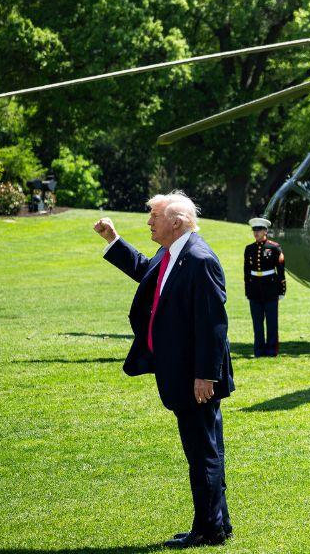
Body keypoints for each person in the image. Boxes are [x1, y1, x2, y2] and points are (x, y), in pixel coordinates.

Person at [93, 192, 234, 549]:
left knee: (203, 454)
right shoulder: (170, 254)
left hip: (195, 377)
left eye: (154, 216)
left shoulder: (199, 259)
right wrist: (114, 241)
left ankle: (207, 531)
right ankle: (218, 524)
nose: (149, 222)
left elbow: (213, 324)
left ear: (177, 221)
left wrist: (206, 375)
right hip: (179, 372)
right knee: (206, 450)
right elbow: (145, 271)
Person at [244, 217, 286, 357]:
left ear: (265, 231)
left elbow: (280, 270)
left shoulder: (274, 248)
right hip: (255, 289)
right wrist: (248, 290)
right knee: (257, 323)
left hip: (271, 288)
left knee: (272, 322)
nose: (256, 233)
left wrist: (281, 289)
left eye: (259, 230)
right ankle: (259, 351)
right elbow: (247, 272)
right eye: (254, 230)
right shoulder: (249, 249)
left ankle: (271, 351)